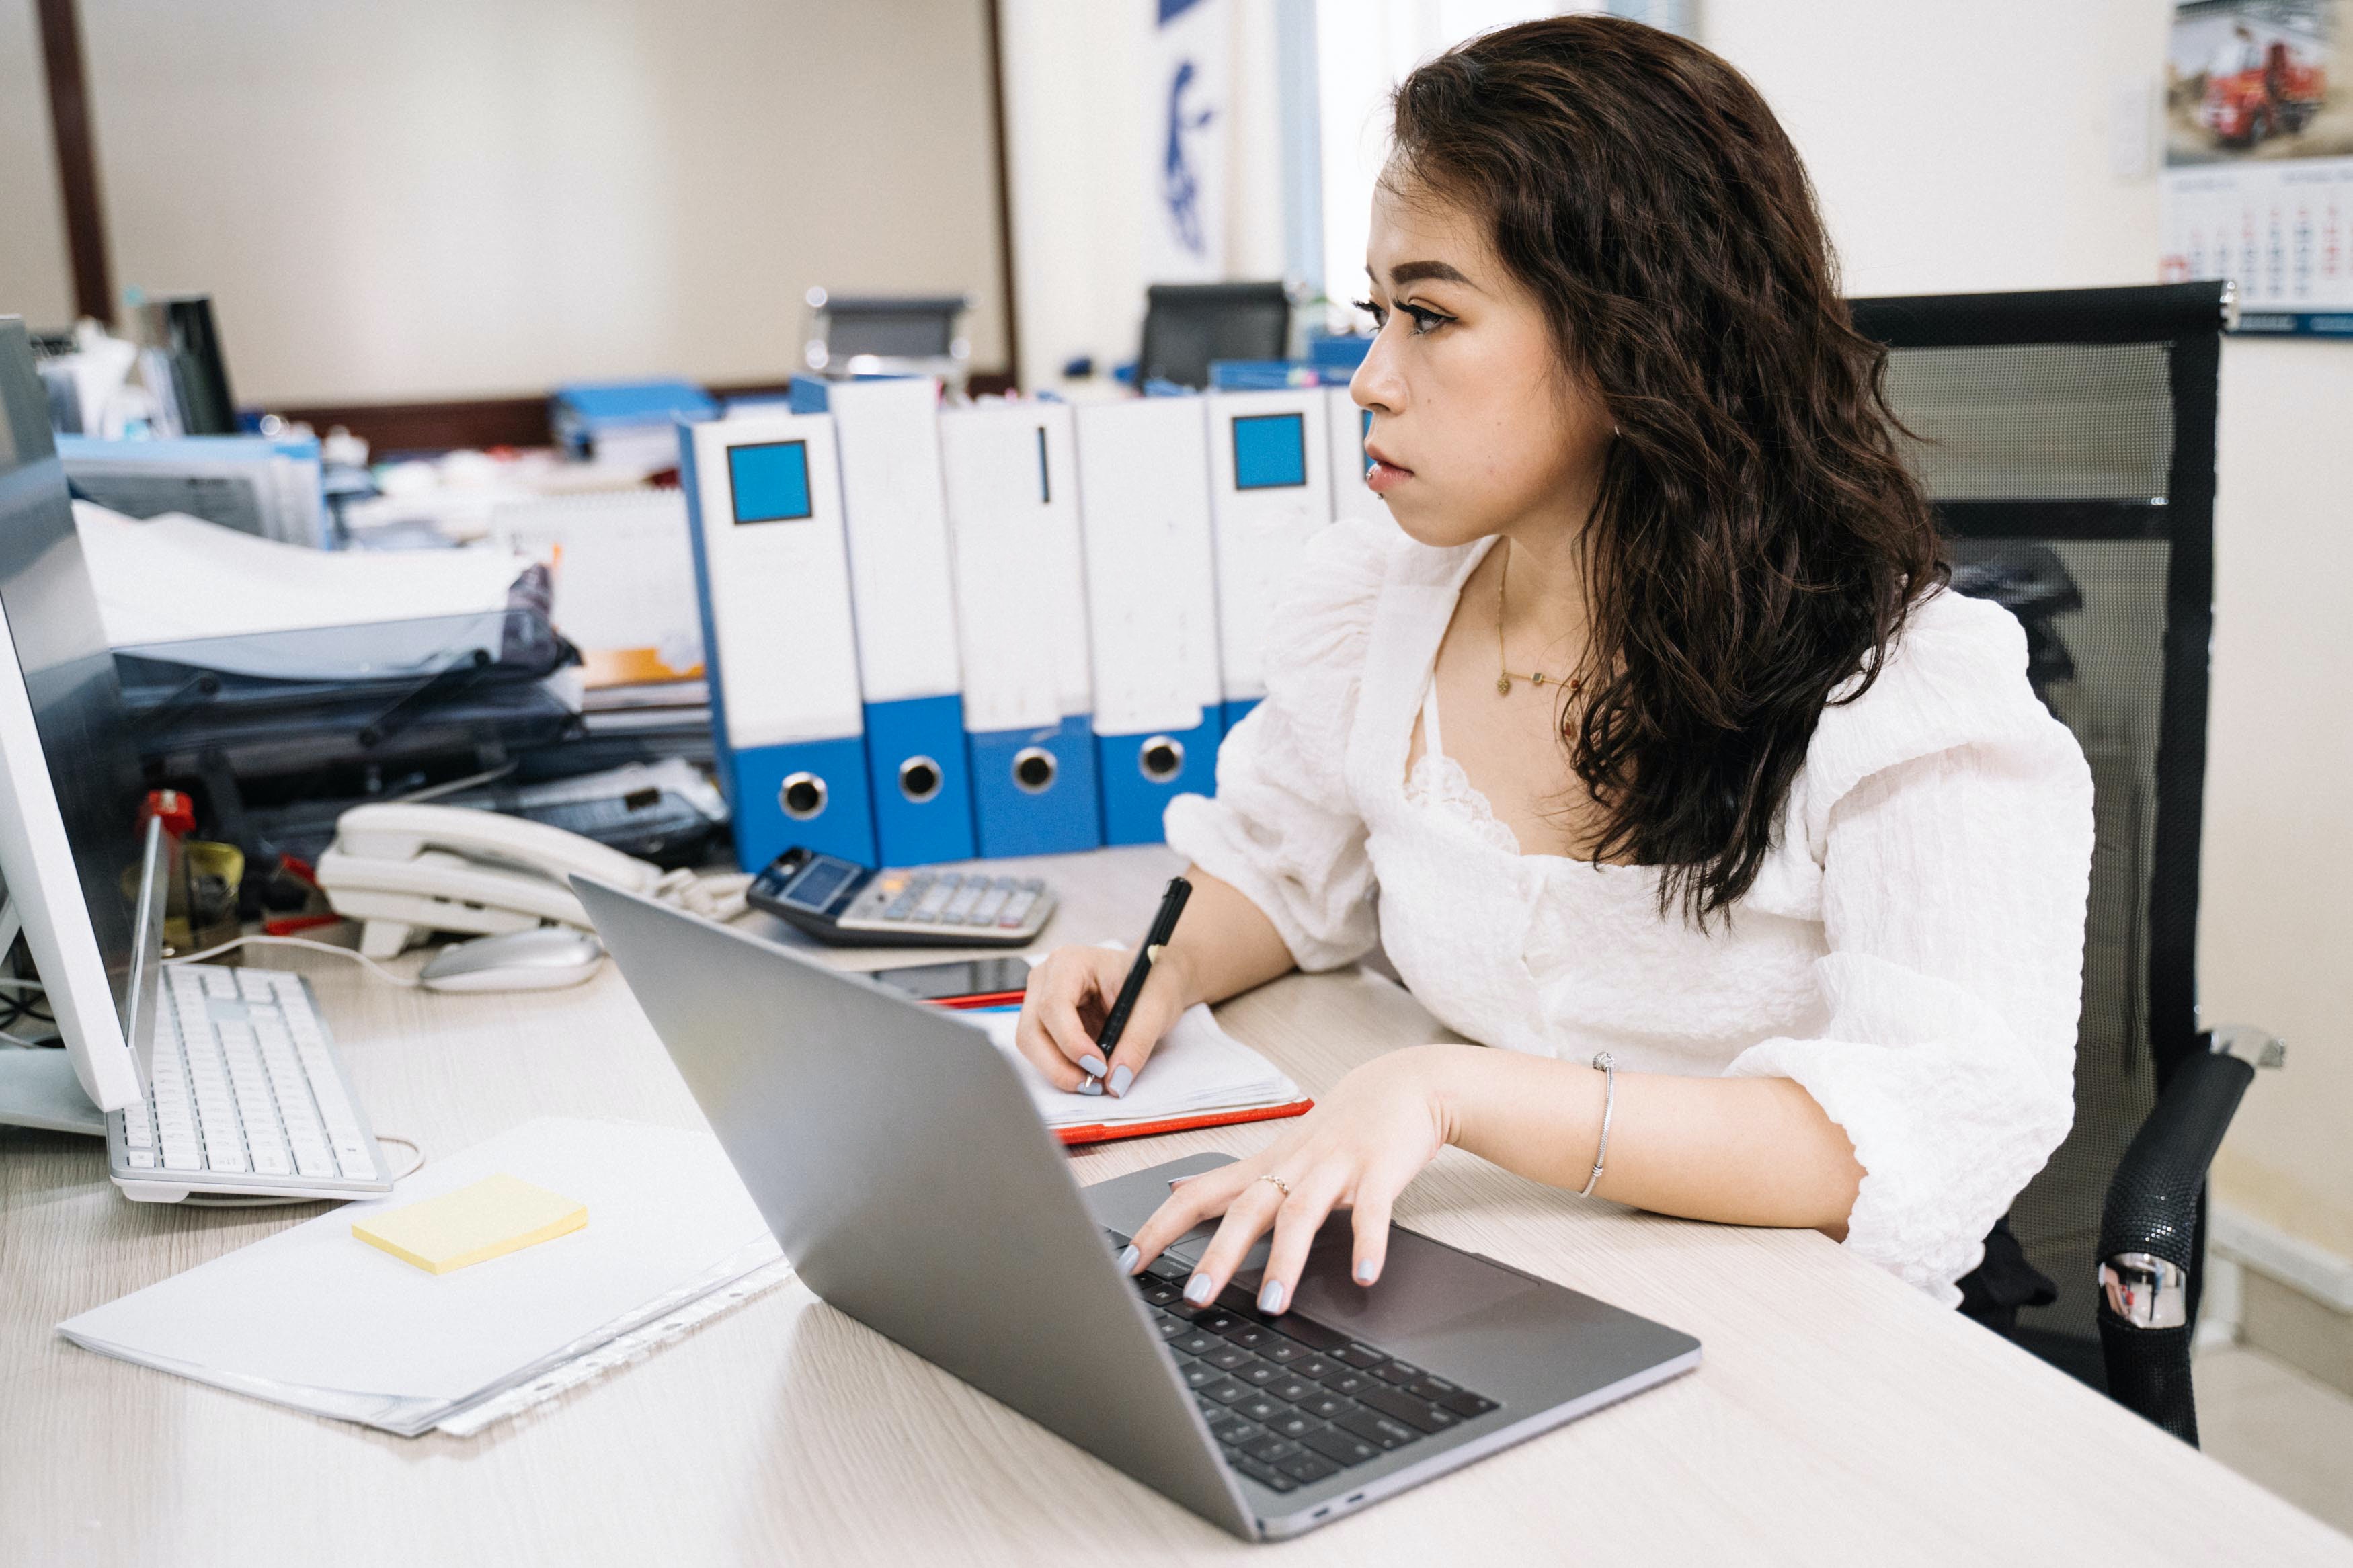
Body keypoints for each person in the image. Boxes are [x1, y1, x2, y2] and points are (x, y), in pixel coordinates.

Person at [1014, 15, 2091, 1319]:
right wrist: (1158, 968)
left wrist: (1453, 1095)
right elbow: (1283, 869)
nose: (1368, 378)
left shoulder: (1898, 687)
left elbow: (1922, 1127)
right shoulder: (1383, 600)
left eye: (1428, 316)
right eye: (1375, 313)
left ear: (1632, 337)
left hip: (1802, 1321)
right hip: (1504, 1280)